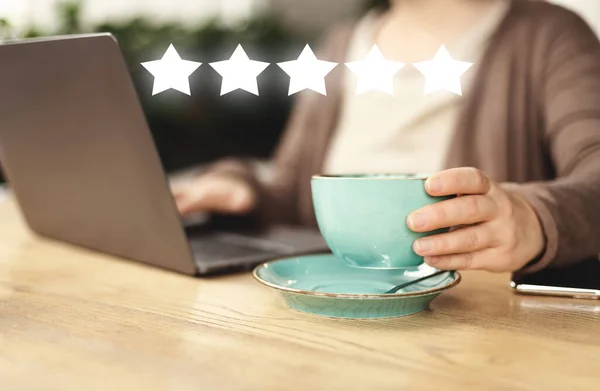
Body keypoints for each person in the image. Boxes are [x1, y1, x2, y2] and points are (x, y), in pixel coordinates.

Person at [172, 0, 600, 277]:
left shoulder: (550, 35)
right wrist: (241, 184)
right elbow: (296, 187)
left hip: (470, 316)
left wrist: (538, 219)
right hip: (333, 304)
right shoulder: (341, 43)